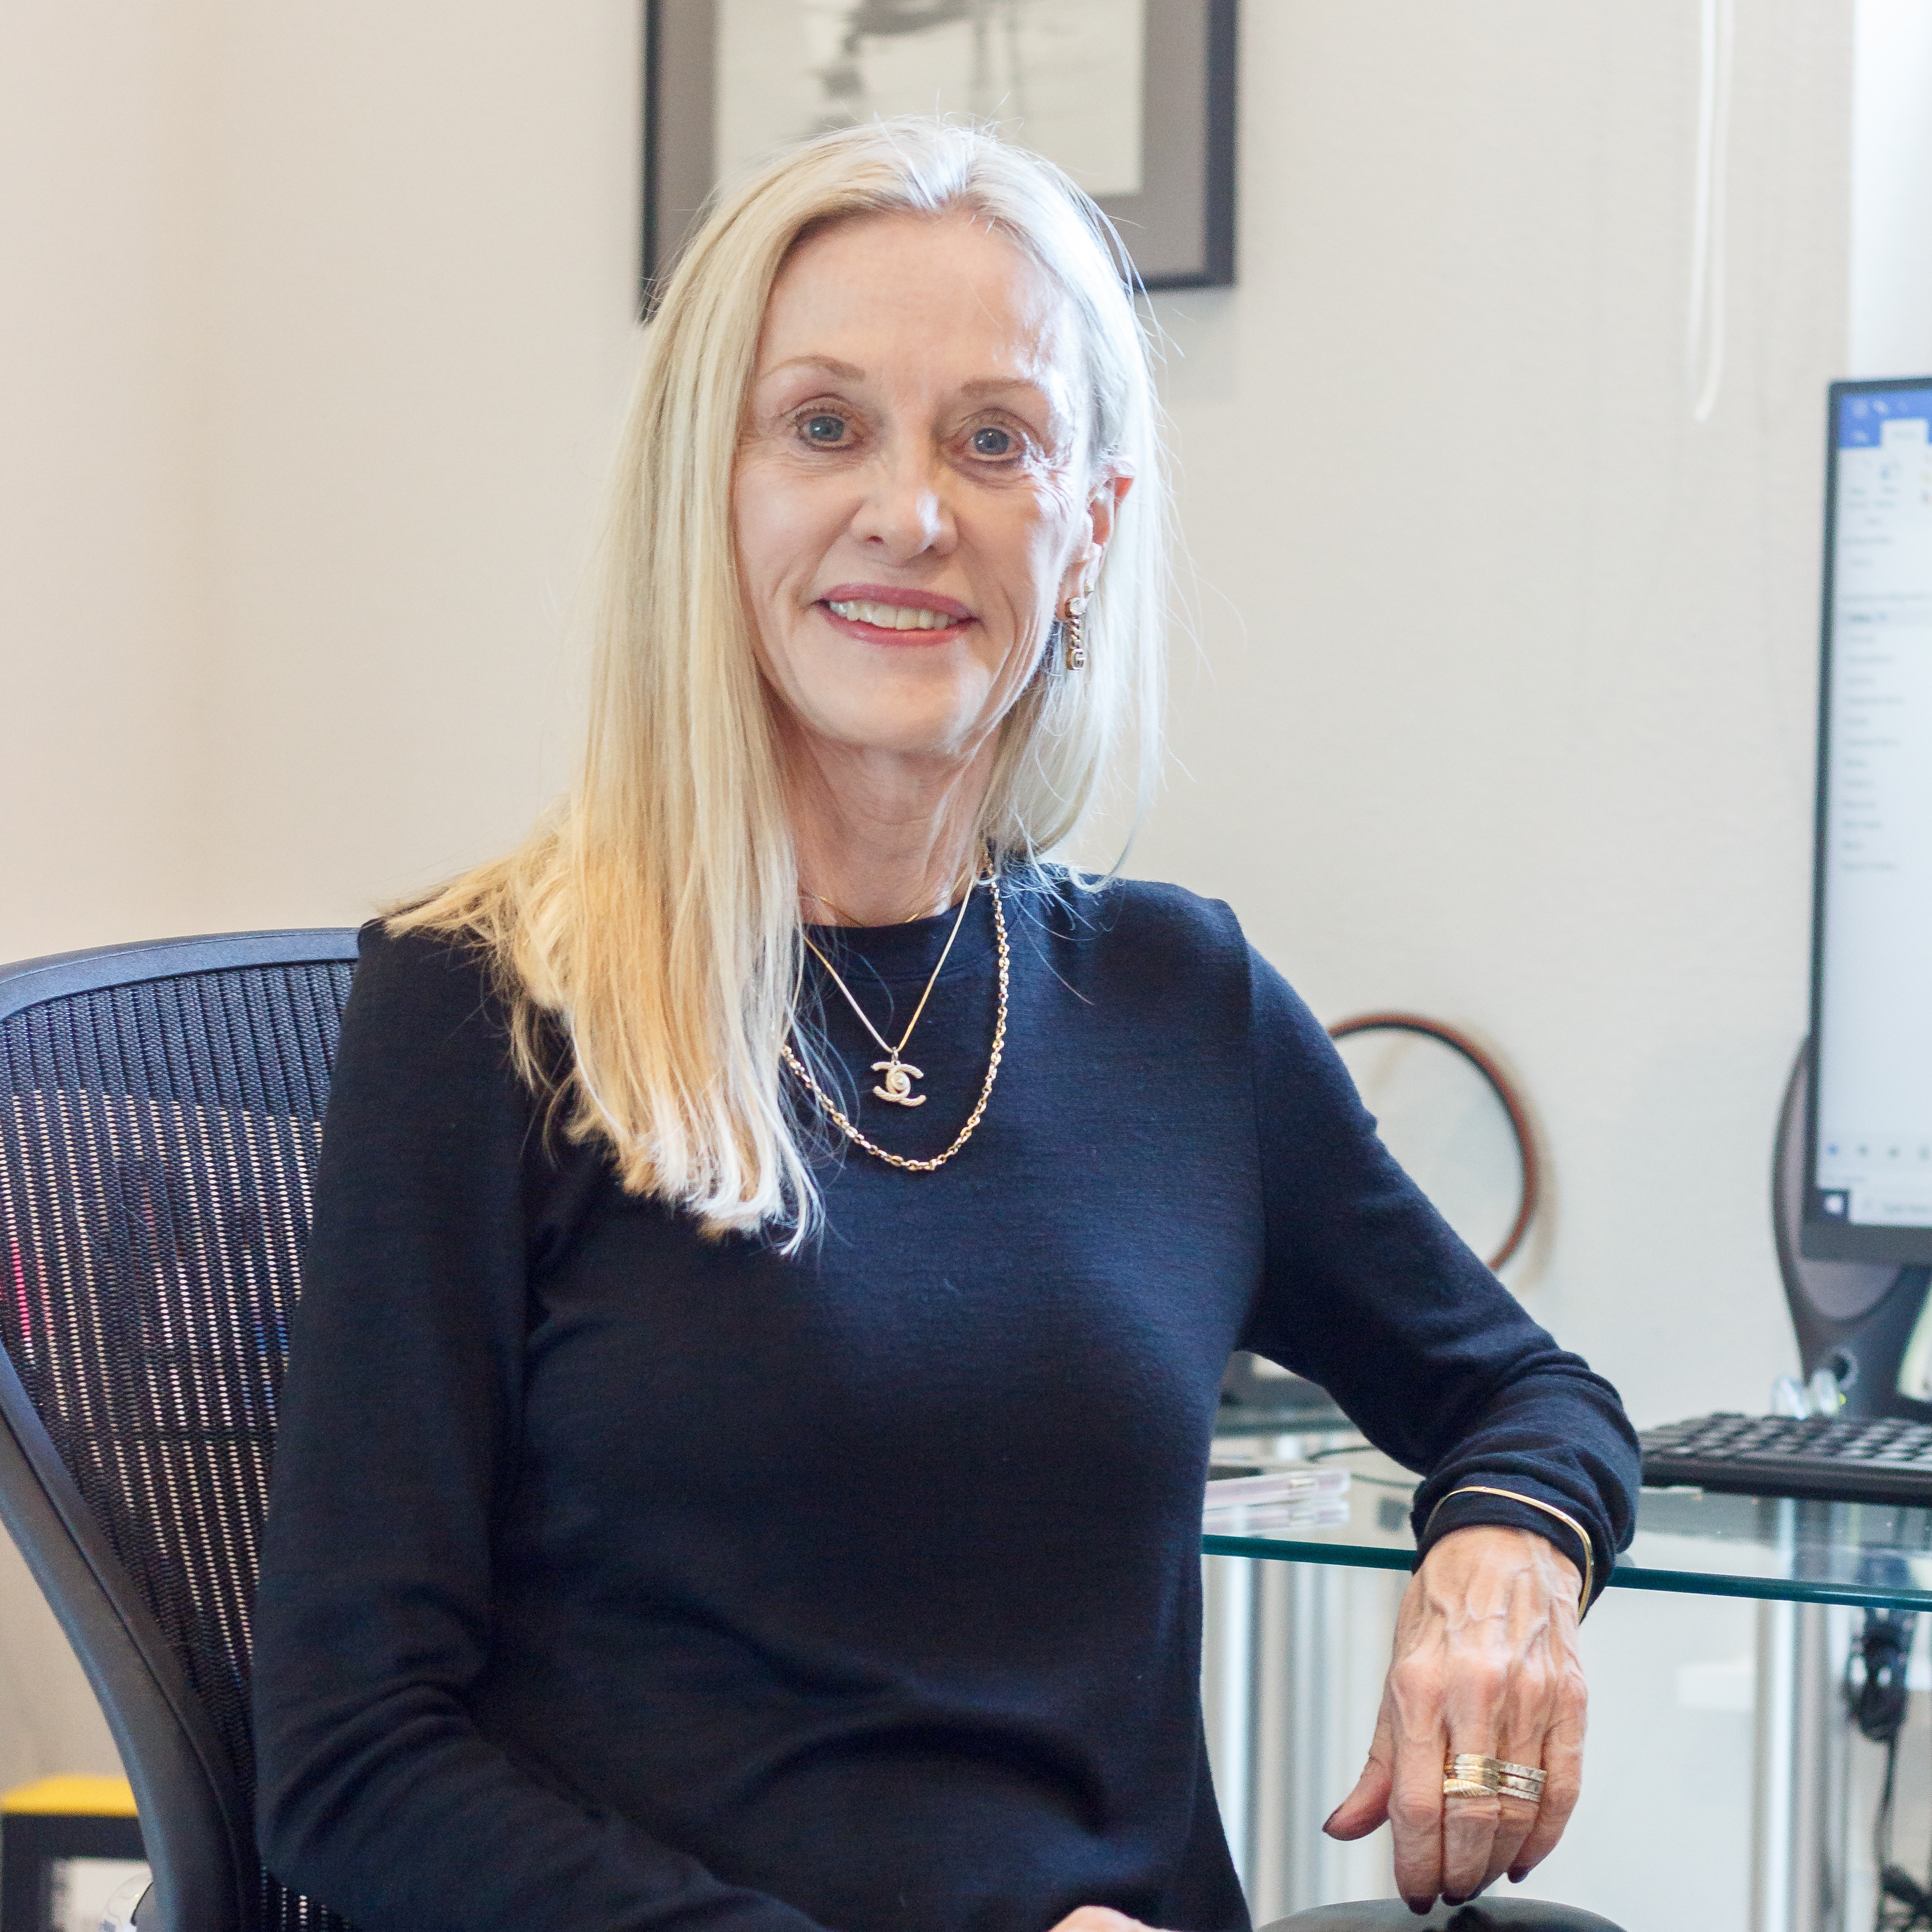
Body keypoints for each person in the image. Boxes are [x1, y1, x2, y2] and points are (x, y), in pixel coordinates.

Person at [251, 118, 1638, 1932]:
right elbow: (348, 1765)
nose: (913, 510)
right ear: (709, 489)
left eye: (996, 440)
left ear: (1087, 534)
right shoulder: (484, 1011)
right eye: (824, 424)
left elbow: (1532, 1395)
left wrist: (1504, 1553)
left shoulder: (1179, 1004)